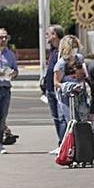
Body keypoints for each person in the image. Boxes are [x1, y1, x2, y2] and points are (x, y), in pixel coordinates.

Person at [42, 25, 66, 153]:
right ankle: (61, 143)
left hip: (59, 88)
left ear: (55, 35)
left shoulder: (63, 50)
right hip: (50, 89)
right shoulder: (52, 50)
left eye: (48, 34)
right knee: (56, 117)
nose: (46, 36)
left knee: (62, 118)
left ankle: (64, 144)